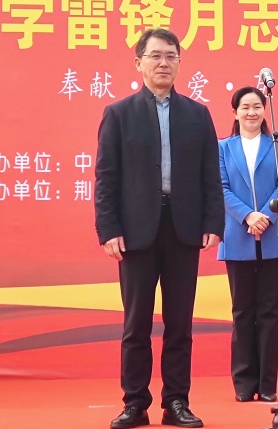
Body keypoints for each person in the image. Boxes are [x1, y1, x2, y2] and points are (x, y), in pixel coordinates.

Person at [94, 28, 224, 429]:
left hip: (183, 229)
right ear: (139, 63)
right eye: (155, 56)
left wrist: (213, 222)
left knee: (180, 323)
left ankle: (176, 402)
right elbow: (106, 177)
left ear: (180, 63)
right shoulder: (119, 114)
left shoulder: (197, 114)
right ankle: (135, 403)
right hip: (136, 232)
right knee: (136, 324)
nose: (163, 63)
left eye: (171, 56)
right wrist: (108, 228)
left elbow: (210, 174)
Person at [217, 86, 278, 403]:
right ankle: (244, 383)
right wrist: (247, 216)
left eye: (257, 106)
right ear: (235, 113)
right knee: (242, 312)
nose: (251, 112)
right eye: (245, 107)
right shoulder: (223, 147)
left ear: (265, 110)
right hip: (238, 236)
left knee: (269, 313)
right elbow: (220, 188)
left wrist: (265, 215)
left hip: (273, 235)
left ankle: (268, 384)